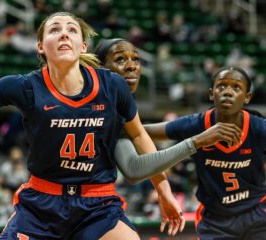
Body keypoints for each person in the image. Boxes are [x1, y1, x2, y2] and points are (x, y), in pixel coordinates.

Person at [0, 12, 190, 239]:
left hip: (98, 202)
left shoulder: (112, 86)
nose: (64, 33)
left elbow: (139, 138)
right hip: (43, 203)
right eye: (55, 29)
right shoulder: (23, 87)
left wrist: (163, 191)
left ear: (83, 46)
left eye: (71, 29)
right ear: (41, 46)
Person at [94, 38, 242, 235]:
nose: (131, 66)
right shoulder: (89, 102)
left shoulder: (120, 106)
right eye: (121, 59)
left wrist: (164, 192)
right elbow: (133, 167)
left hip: (94, 202)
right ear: (99, 67)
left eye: (136, 60)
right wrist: (198, 140)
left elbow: (139, 135)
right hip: (52, 196)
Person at [142, 66, 266, 239]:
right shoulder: (195, 125)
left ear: (247, 97)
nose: (228, 92)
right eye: (221, 86)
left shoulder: (259, 128)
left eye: (236, 87)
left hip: (258, 213)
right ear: (211, 93)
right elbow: (140, 132)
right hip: (215, 221)